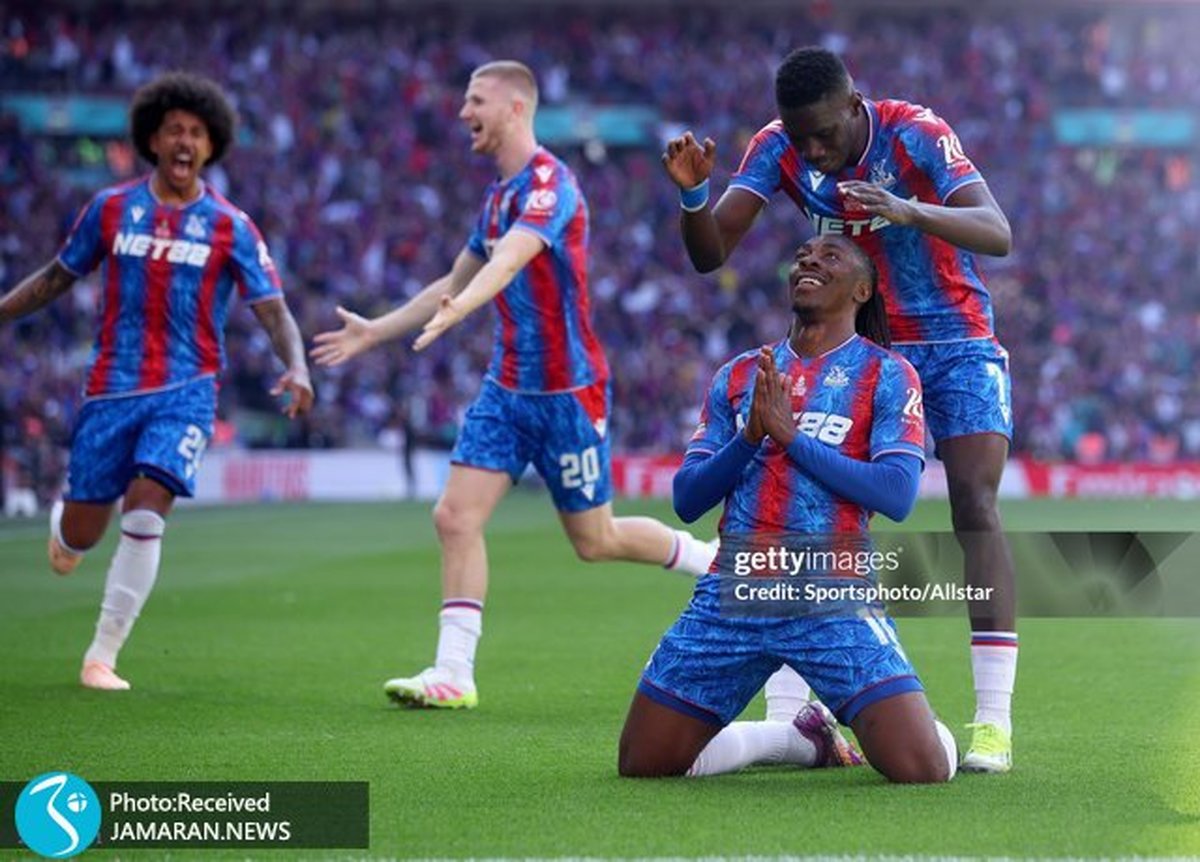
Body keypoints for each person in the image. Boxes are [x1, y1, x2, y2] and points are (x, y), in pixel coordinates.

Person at [311, 60, 715, 710]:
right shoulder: (498, 197)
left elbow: (508, 260)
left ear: (515, 107)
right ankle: (453, 672)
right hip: (506, 390)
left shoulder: (552, 185)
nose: (463, 112)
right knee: (453, 517)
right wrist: (375, 331)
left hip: (568, 394)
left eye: (476, 100)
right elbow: (455, 281)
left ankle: (710, 561)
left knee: (595, 541)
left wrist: (462, 309)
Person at [663, 46, 1017, 772]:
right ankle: (796, 719)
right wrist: (694, 198)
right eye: (803, 139)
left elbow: (997, 230)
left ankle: (992, 720)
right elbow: (710, 252)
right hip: (863, 348)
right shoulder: (778, 147)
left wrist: (907, 210)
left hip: (955, 338)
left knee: (974, 506)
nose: (815, 151)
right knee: (805, 496)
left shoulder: (915, 132)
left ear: (855, 107)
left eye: (825, 134)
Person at [0, 71, 314, 691]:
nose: (184, 141)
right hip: (111, 390)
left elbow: (273, 310)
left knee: (147, 509)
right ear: (151, 139)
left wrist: (297, 365)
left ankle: (102, 656)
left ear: (211, 145)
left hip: (187, 391)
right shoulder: (111, 209)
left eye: (196, 132)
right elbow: (57, 276)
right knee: (82, 535)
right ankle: (66, 527)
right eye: (174, 130)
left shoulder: (230, 226)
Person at [618, 234, 956, 784]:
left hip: (833, 592)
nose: (809, 261)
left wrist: (792, 438)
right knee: (643, 763)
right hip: (736, 592)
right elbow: (687, 499)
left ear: (862, 290)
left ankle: (923, 728)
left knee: (923, 768)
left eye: (829, 257)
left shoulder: (888, 374)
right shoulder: (740, 374)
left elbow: (896, 495)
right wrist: (750, 437)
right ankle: (794, 741)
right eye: (803, 256)